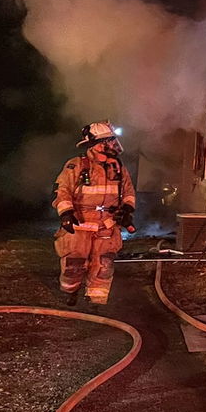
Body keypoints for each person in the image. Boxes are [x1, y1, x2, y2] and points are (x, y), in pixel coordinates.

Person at [53, 121, 135, 305]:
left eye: (112, 140)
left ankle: (96, 300)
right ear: (95, 144)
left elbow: (128, 192)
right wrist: (66, 213)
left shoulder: (118, 168)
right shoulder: (76, 165)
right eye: (108, 141)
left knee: (104, 264)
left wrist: (127, 210)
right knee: (74, 264)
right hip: (80, 224)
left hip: (107, 225)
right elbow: (63, 190)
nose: (112, 145)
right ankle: (70, 291)